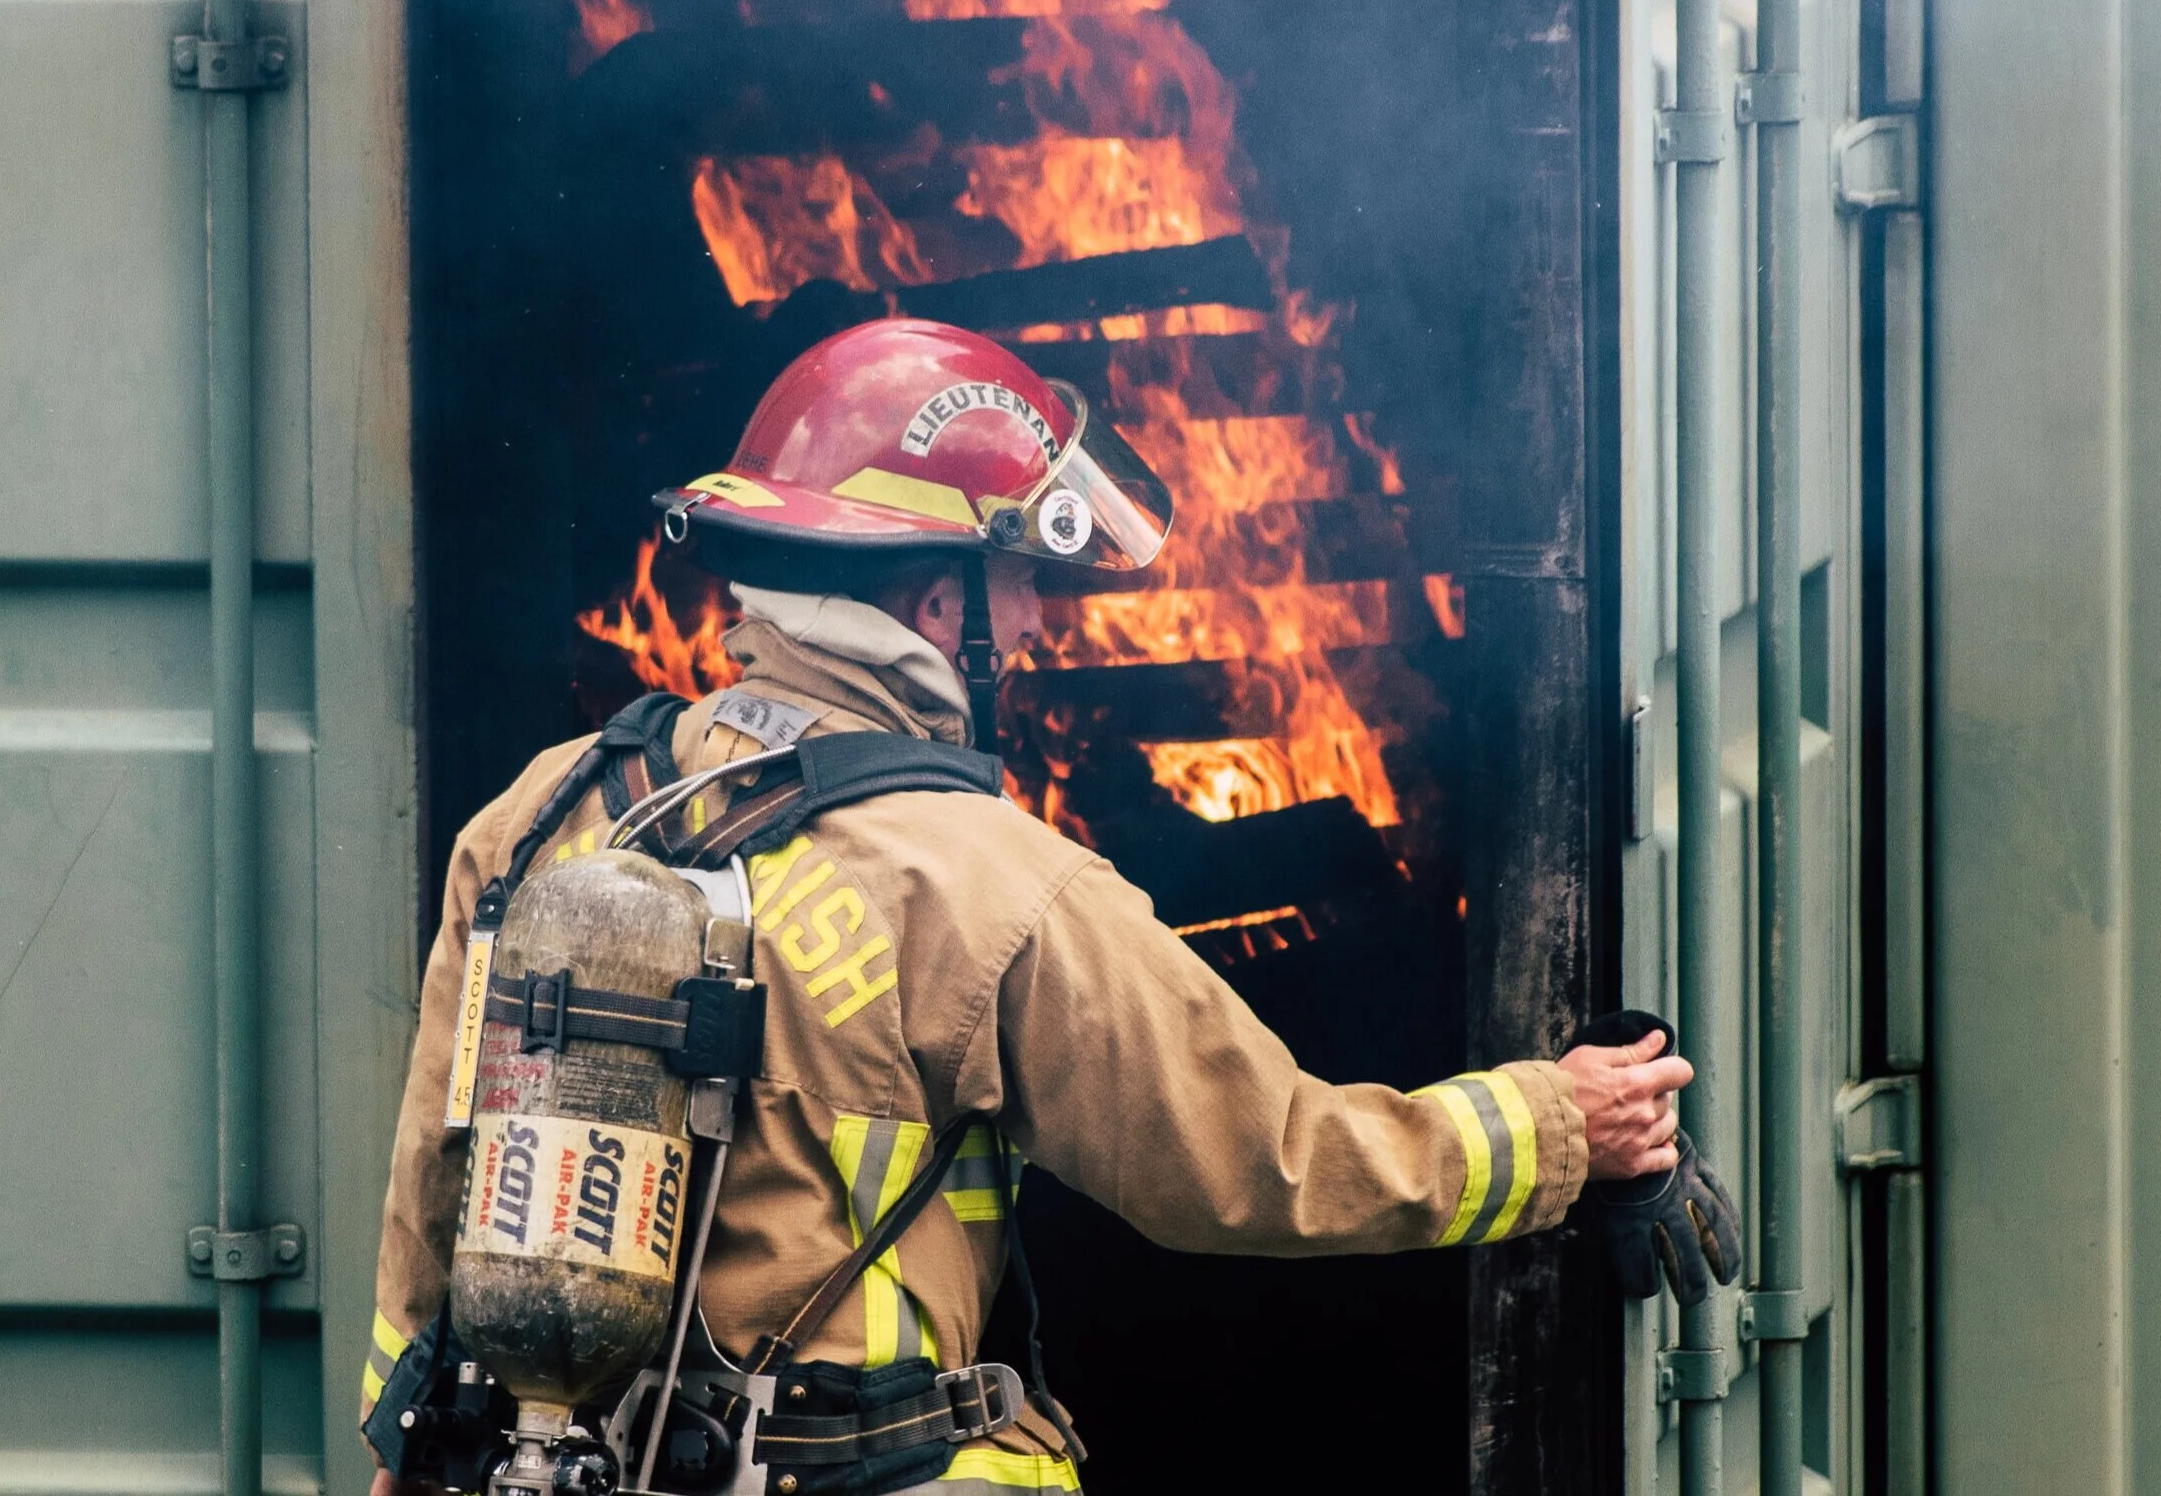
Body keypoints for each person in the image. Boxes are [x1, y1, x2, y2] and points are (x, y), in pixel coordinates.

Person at [365, 318, 1731, 1495]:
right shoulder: (995, 885)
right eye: (1019, 580)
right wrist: (1560, 1122)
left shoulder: (542, 810)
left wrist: (400, 1447)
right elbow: (1270, 1159)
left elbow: (437, 1178)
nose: (1036, 623)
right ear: (930, 598)